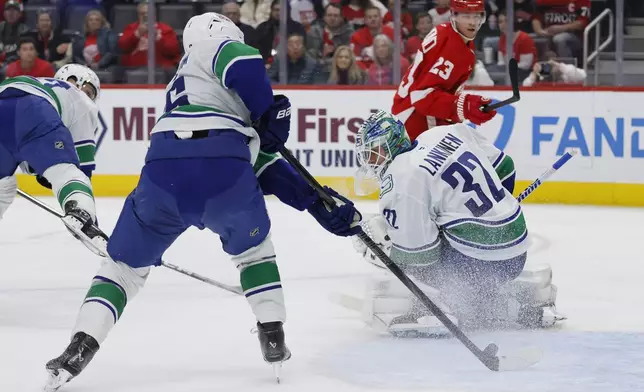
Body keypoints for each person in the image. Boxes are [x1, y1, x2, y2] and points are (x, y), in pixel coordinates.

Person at [44, 12, 362, 391]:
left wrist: (314, 199)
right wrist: (315, 200)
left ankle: (81, 344)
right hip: (224, 174)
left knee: (122, 268)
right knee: (254, 253)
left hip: (162, 174)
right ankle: (272, 332)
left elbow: (239, 147)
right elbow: (257, 141)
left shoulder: (182, 89)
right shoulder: (216, 50)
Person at [352, 110, 563, 336]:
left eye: (375, 153)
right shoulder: (446, 132)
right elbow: (505, 167)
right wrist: (492, 208)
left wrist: (381, 251)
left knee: (379, 233)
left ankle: (440, 307)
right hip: (516, 255)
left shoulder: (401, 178)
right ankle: (497, 303)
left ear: (393, 143)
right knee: (443, 230)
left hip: (478, 266)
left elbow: (420, 255)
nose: (372, 163)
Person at [0, 71, 103, 265]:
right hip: (33, 108)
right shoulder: (83, 103)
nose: (83, 92)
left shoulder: (48, 85)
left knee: (2, 187)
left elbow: (22, 151)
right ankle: (82, 211)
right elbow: (82, 171)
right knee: (66, 172)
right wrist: (90, 223)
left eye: (89, 92)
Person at [391, 0, 496, 142]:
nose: (472, 22)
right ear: (453, 15)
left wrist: (462, 109)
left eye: (477, 16)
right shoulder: (450, 45)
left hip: (422, 115)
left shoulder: (458, 39)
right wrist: (464, 106)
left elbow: (442, 91)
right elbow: (421, 96)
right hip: (413, 118)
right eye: (466, 16)